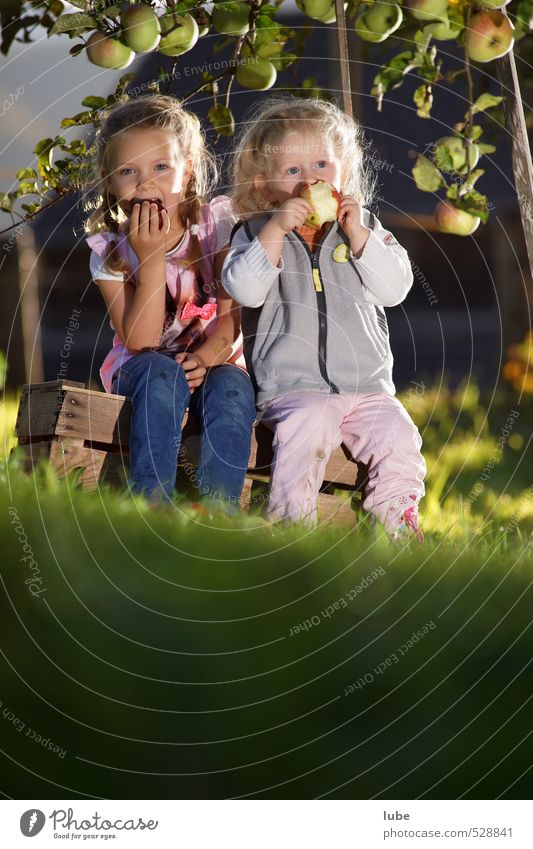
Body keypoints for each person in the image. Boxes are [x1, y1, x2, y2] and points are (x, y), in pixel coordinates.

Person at [222, 96, 426, 540]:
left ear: (344, 173)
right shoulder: (254, 233)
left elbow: (395, 290)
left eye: (322, 165)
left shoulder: (366, 227)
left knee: (400, 439)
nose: (311, 179)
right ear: (263, 185)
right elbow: (243, 289)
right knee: (307, 430)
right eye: (293, 171)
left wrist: (361, 238)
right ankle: (293, 530)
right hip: (294, 389)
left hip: (368, 388)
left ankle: (399, 528)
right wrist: (274, 230)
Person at [84, 95, 255, 507]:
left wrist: (209, 356)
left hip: (216, 359)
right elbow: (141, 341)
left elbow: (235, 316)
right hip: (141, 370)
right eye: (129, 171)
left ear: (188, 169)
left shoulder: (218, 226)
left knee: (234, 386)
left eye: (161, 167)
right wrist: (151, 257)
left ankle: (219, 511)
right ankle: (152, 503)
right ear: (109, 181)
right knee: (160, 373)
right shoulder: (108, 251)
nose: (146, 183)